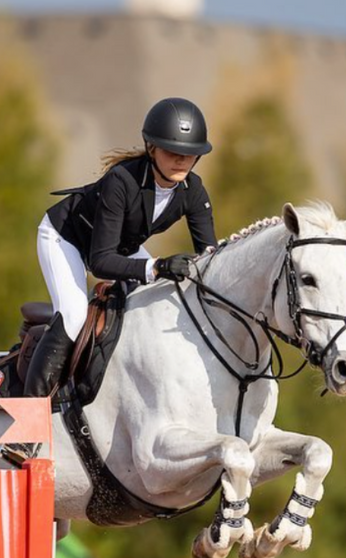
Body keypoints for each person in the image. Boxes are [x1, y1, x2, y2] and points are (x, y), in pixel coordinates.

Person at [25, 97, 219, 397]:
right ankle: (27, 421)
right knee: (75, 315)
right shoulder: (121, 180)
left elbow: (211, 257)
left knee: (159, 304)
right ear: (152, 148)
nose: (181, 161)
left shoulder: (193, 191)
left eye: (190, 154)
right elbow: (101, 261)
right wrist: (158, 267)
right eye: (172, 152)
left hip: (120, 247)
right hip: (66, 238)